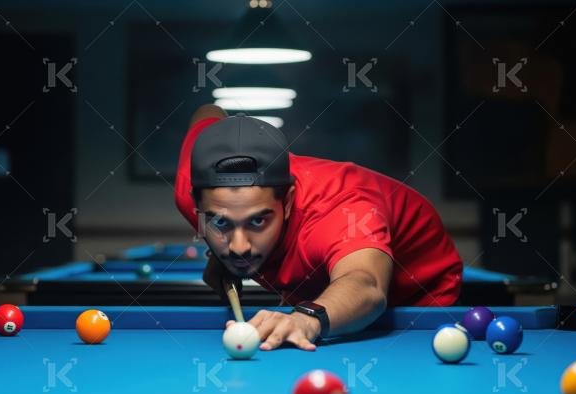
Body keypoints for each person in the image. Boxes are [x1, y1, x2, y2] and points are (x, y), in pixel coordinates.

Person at [174, 104, 463, 352]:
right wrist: (220, 253)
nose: (239, 246)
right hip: (314, 287)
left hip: (414, 305)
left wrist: (305, 319)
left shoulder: (342, 209)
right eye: (221, 222)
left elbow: (366, 284)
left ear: (287, 203)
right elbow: (207, 113)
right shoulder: (195, 182)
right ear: (197, 207)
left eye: (258, 221)